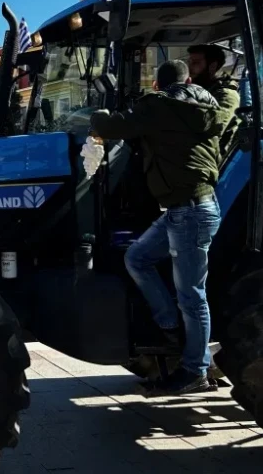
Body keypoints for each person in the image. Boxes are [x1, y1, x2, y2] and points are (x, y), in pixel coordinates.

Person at [90, 60, 227, 396]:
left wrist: (95, 113)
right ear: (189, 80)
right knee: (137, 258)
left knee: (192, 297)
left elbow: (107, 126)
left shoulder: (161, 106)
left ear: (157, 85)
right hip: (191, 209)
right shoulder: (207, 104)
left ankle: (195, 369)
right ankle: (170, 327)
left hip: (190, 212)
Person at [187, 45, 240, 162]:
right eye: (189, 62)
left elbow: (211, 130)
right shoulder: (197, 91)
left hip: (213, 159)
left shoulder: (226, 95)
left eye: (195, 63)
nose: (189, 68)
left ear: (212, 66)